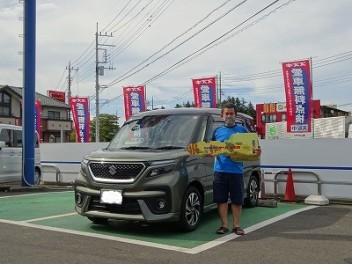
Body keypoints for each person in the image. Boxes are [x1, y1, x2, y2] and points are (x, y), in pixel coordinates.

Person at [212, 102, 261, 235]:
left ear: (236, 115)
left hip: (236, 170)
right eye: (226, 113)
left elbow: (254, 149)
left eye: (231, 113)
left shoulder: (243, 131)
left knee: (237, 199)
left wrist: (256, 152)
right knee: (221, 199)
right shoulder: (217, 132)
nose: (229, 116)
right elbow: (211, 149)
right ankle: (224, 225)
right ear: (222, 115)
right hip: (220, 171)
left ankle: (236, 226)